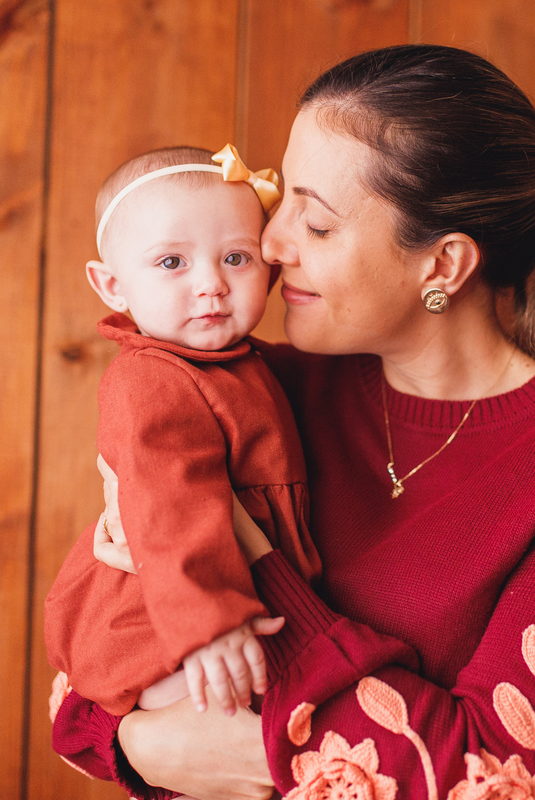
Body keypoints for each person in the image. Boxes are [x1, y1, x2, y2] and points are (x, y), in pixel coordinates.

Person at [49, 44, 535, 800]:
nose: (269, 243)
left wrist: (250, 553)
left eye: (318, 224)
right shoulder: (252, 386)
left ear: (443, 266)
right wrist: (139, 745)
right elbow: (82, 689)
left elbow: (490, 779)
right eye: (281, 200)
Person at [43, 144, 322, 724]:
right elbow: (172, 504)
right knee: (223, 709)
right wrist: (209, 624)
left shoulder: (248, 364)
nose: (212, 284)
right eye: (172, 262)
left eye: (236, 258)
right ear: (113, 286)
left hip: (233, 599)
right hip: (167, 615)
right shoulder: (149, 378)